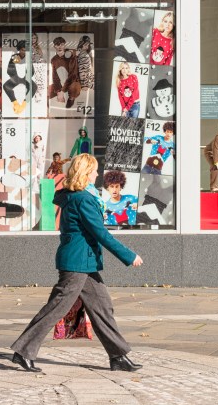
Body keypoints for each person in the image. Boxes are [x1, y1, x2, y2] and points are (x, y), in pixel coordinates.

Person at [10, 153, 143, 374]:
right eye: (94, 170)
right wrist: (129, 256)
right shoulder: (83, 199)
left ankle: (118, 356)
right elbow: (100, 233)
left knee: (102, 308)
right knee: (56, 308)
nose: (97, 174)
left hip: (85, 262)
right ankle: (23, 351)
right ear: (86, 172)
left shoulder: (78, 196)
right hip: (77, 263)